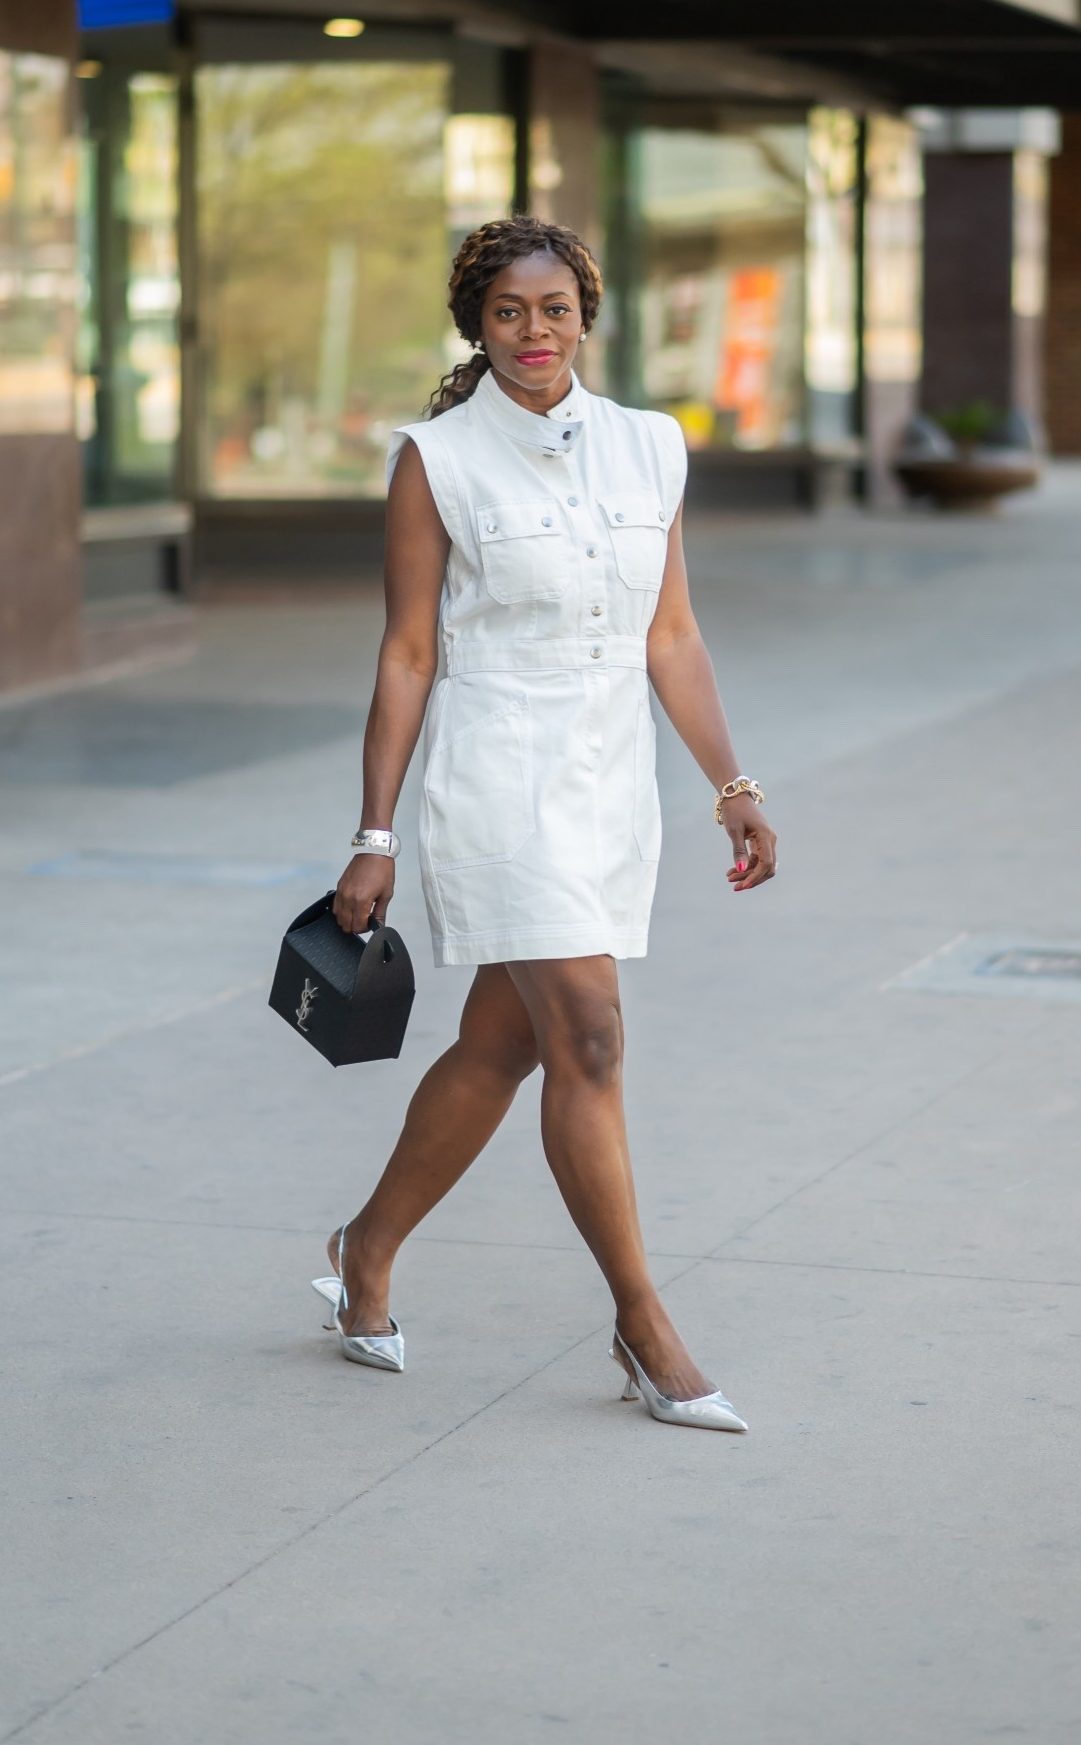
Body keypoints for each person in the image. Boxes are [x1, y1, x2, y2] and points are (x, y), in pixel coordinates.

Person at [311, 215, 776, 1432]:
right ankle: (643, 1324)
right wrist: (374, 832)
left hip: (609, 782)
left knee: (502, 1049)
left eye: (555, 308)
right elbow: (410, 651)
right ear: (477, 321)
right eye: (508, 311)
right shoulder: (438, 459)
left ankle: (365, 1245)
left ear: (586, 315)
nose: (533, 332)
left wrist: (733, 782)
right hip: (498, 773)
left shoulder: (650, 447)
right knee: (592, 1037)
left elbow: (668, 634)